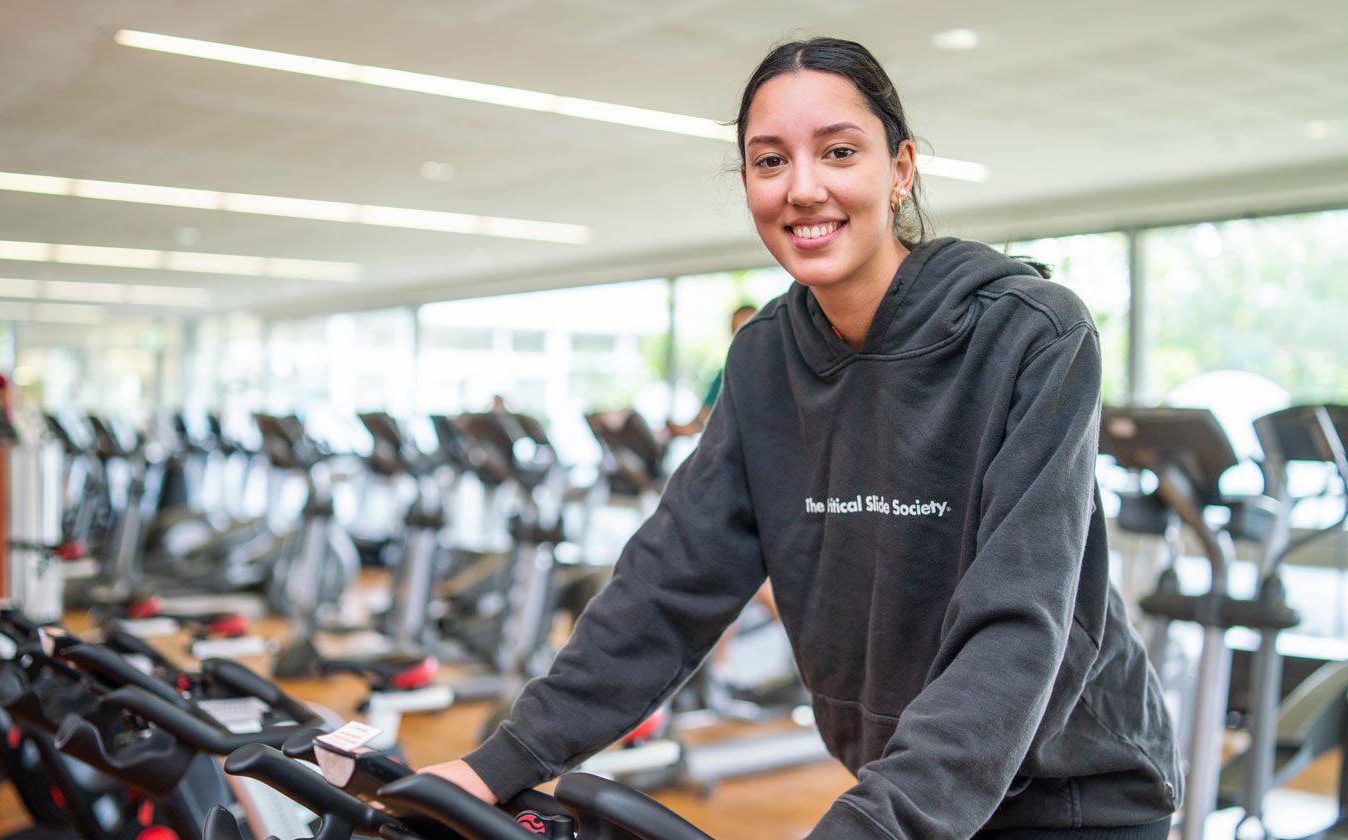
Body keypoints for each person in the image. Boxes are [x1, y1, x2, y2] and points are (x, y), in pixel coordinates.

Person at [423, 38, 1179, 837]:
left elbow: (1018, 622)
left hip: (1068, 792)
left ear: (900, 170)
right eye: (769, 161)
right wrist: (496, 765)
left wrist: (874, 824)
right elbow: (667, 586)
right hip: (904, 784)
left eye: (840, 152)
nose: (803, 188)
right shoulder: (764, 358)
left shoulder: (1031, 334)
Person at [666, 303, 758, 438]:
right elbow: (706, 415)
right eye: (737, 333)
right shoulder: (729, 372)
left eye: (749, 331)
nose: (744, 340)